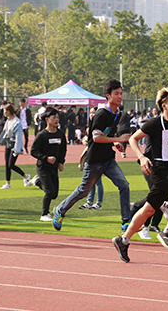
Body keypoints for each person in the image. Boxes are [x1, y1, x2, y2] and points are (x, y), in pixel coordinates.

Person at [112, 88, 168, 262]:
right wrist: (142, 157)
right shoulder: (156, 123)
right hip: (159, 169)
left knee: (149, 209)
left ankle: (123, 240)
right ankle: (167, 231)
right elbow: (133, 139)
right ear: (164, 106)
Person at [52, 79, 131, 231]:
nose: (120, 96)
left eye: (121, 93)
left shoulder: (117, 113)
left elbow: (106, 134)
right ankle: (60, 210)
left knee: (124, 185)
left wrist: (116, 143)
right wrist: (118, 138)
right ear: (108, 95)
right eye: (116, 94)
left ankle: (126, 221)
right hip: (95, 161)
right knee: (83, 191)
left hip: (108, 159)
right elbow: (96, 138)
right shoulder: (101, 114)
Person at [30, 107, 67, 221]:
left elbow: (63, 149)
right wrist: (46, 158)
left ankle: (37, 182)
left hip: (54, 167)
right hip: (43, 167)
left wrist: (61, 162)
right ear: (47, 119)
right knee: (49, 191)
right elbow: (33, 151)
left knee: (54, 194)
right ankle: (44, 214)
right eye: (53, 117)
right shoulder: (42, 135)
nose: (56, 120)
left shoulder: (61, 134)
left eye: (57, 117)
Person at [0, 103, 30, 189]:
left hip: (15, 145)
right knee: (7, 164)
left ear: (8, 111)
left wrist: (17, 149)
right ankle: (7, 183)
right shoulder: (8, 120)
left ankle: (25, 176)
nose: (3, 113)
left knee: (11, 165)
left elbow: (18, 136)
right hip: (8, 144)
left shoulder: (17, 122)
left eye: (4, 111)